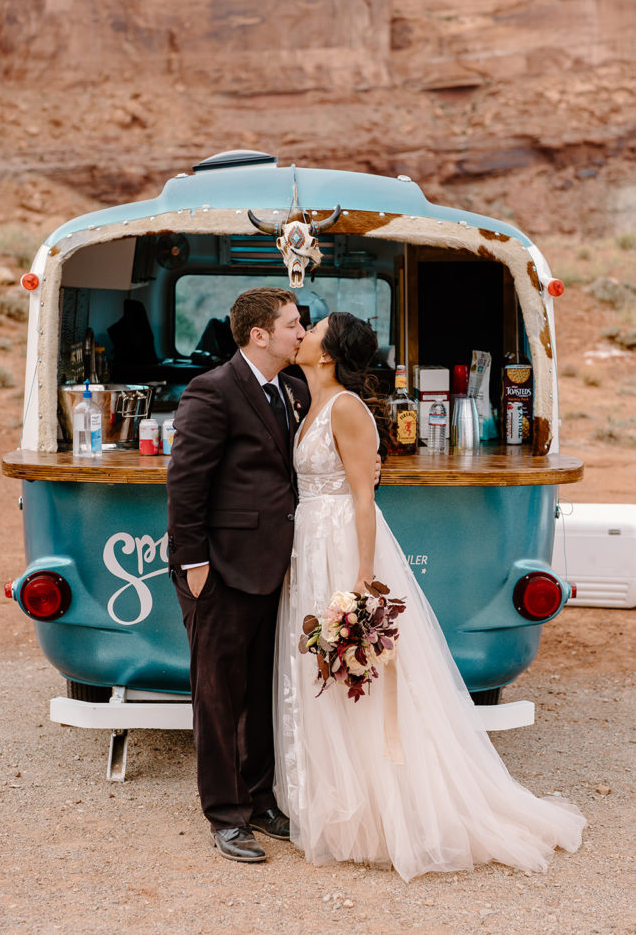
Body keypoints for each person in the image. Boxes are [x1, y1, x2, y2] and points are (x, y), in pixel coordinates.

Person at [274, 311, 586, 881]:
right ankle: (333, 801)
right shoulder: (307, 398)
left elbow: (363, 499)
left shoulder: (346, 407)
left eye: (313, 328)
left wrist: (363, 579)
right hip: (309, 541)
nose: (304, 332)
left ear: (328, 352)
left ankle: (376, 810)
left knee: (357, 674)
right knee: (320, 671)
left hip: (341, 542)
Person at [167, 287, 308, 862]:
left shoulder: (294, 390)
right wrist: (194, 564)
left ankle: (259, 798)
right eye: (294, 325)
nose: (302, 334)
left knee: (262, 690)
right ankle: (225, 816)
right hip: (219, 569)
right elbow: (186, 482)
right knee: (218, 697)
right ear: (260, 335)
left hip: (274, 567)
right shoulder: (213, 390)